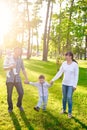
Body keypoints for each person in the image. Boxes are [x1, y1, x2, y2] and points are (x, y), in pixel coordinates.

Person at [50, 52, 79, 118]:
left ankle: (70, 113)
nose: (65, 57)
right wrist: (53, 79)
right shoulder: (64, 63)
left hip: (71, 84)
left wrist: (75, 85)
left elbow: (76, 75)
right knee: (64, 98)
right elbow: (59, 73)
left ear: (71, 56)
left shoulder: (75, 65)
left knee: (69, 97)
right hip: (64, 83)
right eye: (65, 56)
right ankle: (63, 109)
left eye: (67, 56)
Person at [4, 47, 29, 113]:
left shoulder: (20, 60)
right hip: (10, 80)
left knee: (21, 93)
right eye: (17, 51)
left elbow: (23, 69)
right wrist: (11, 67)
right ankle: (10, 108)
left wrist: (26, 78)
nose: (18, 52)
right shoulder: (8, 58)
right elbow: (4, 68)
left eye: (20, 51)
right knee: (9, 95)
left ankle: (19, 105)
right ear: (14, 51)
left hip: (18, 79)